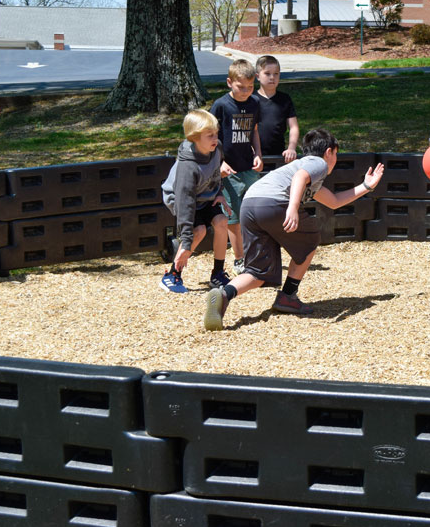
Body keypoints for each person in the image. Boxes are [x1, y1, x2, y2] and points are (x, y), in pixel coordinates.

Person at [202, 129, 384, 331]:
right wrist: (292, 207)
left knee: (258, 270)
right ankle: (288, 296)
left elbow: (333, 201)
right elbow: (300, 176)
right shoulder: (317, 163)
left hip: (250, 204)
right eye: (336, 155)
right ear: (329, 152)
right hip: (273, 203)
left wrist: (366, 186)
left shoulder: (308, 173)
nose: (335, 160)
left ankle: (224, 294)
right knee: (310, 239)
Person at [159, 110, 232, 293]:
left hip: (205, 195)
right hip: (181, 199)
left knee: (222, 222)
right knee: (197, 231)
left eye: (216, 133)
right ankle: (173, 274)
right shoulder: (188, 166)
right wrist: (186, 239)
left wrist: (219, 192)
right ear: (194, 137)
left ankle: (218, 274)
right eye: (210, 136)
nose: (215, 138)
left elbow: (216, 173)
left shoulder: (216, 149)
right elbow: (185, 202)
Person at [210, 59, 263, 274]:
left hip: (248, 167)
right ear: (229, 83)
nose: (246, 91)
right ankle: (239, 259)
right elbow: (211, 136)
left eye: (250, 87)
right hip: (228, 169)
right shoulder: (221, 105)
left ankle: (254, 253)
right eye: (241, 87)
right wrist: (219, 162)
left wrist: (258, 153)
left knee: (252, 212)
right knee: (232, 218)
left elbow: (255, 130)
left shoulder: (254, 103)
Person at [255, 55, 300, 163]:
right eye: (267, 73)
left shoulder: (285, 99)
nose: (272, 77)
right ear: (257, 76)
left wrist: (291, 148)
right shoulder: (251, 99)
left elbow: (293, 127)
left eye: (276, 73)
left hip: (278, 156)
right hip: (254, 156)